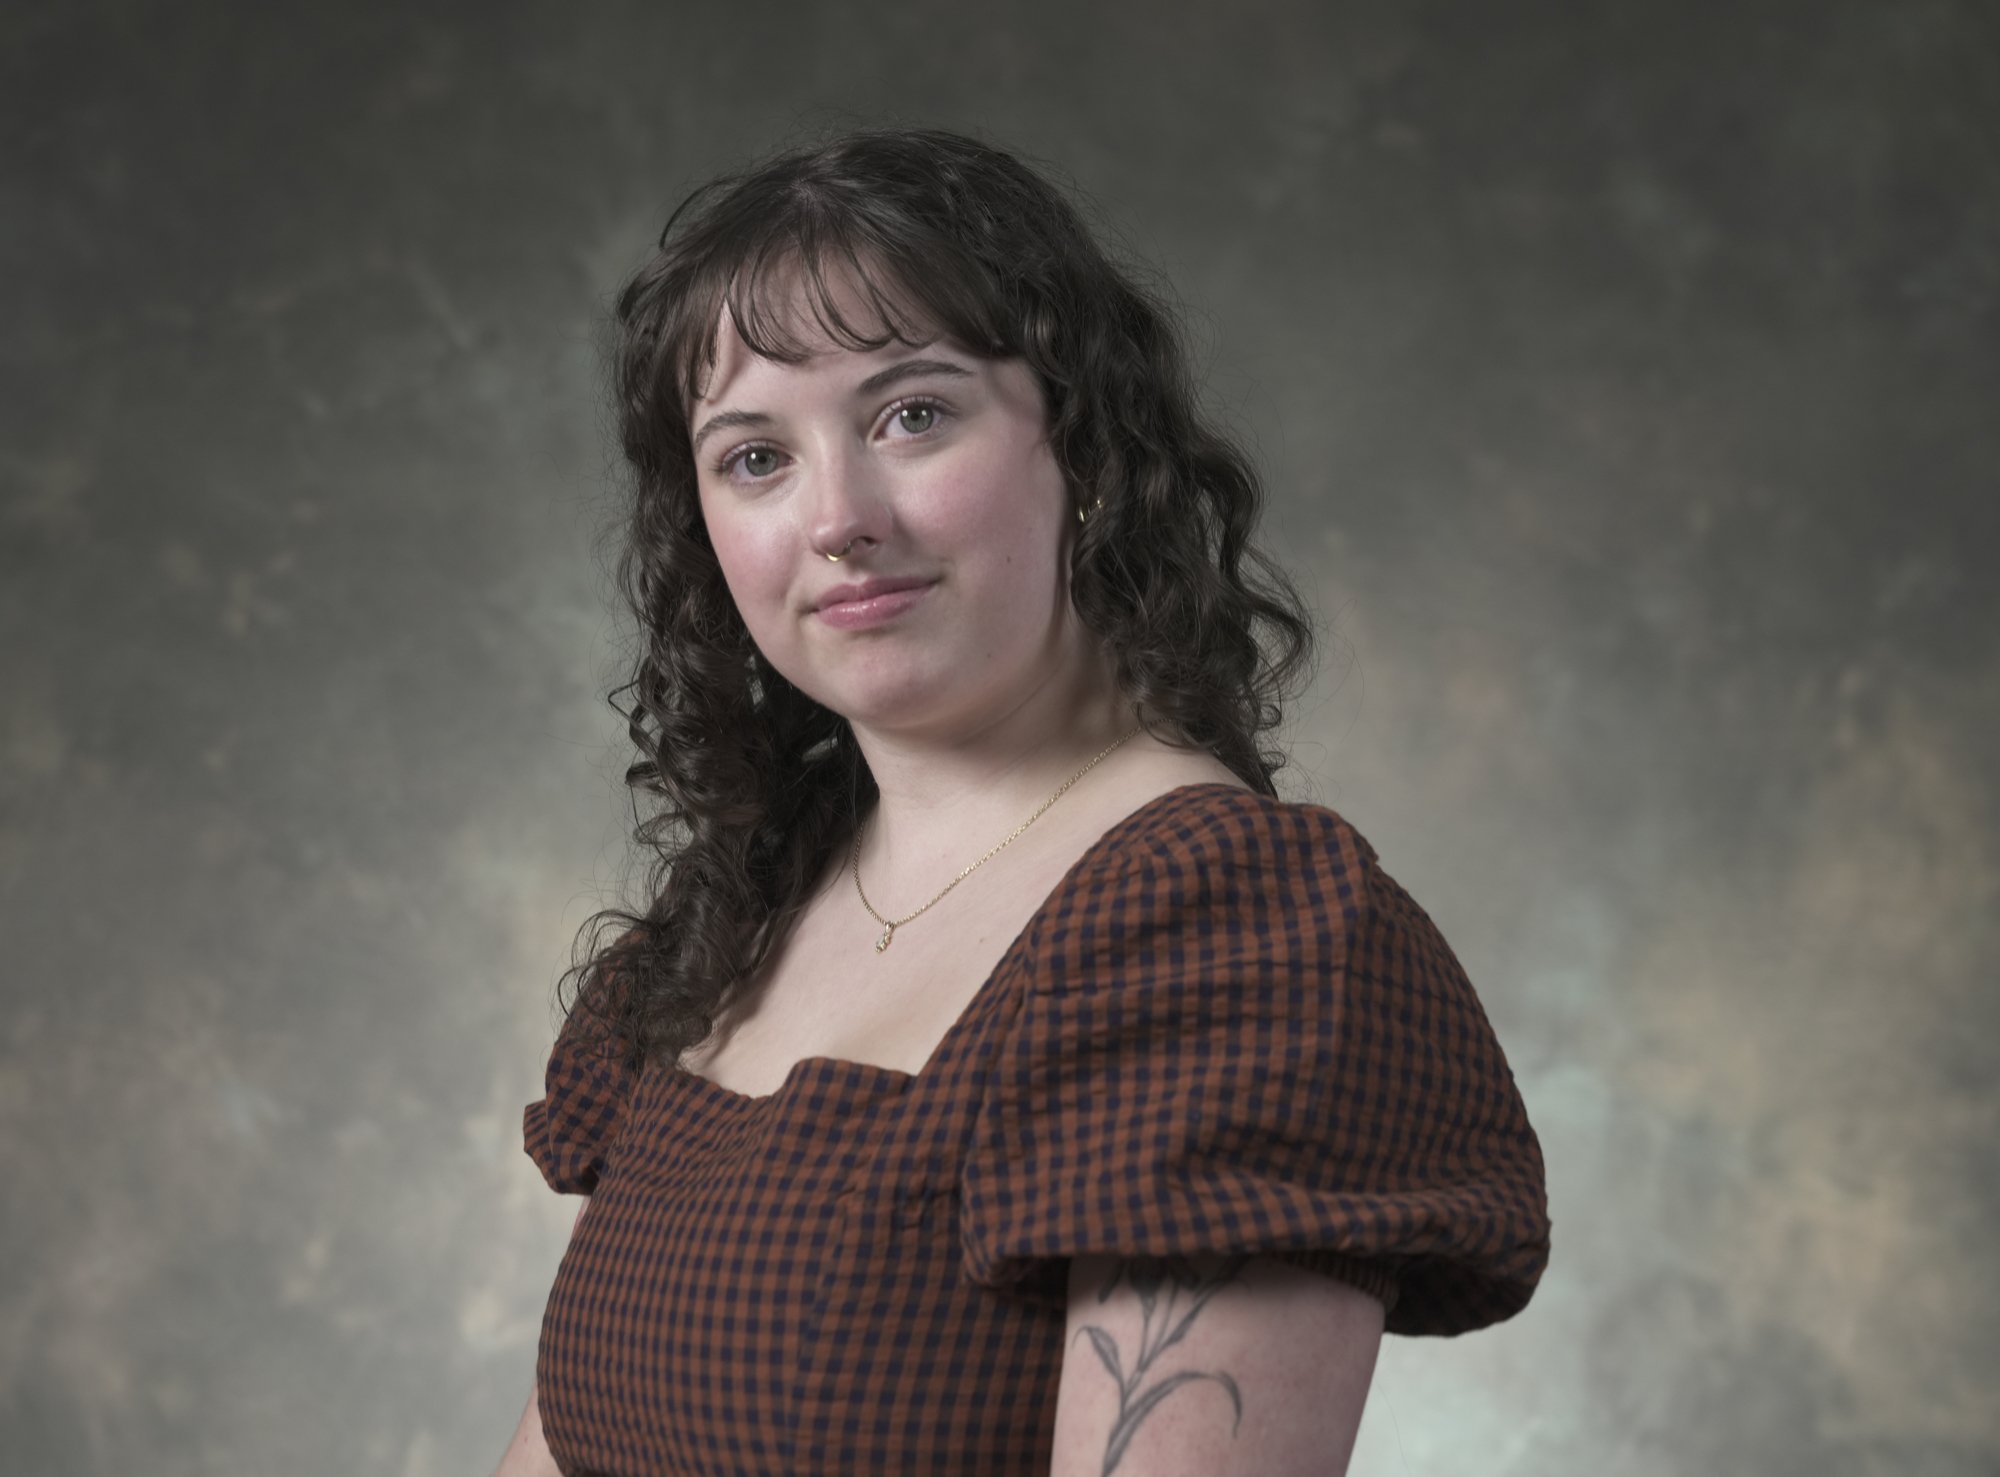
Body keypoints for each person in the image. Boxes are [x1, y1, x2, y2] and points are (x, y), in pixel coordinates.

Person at [495, 127, 1551, 1477]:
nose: (839, 517)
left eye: (912, 415)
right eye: (755, 457)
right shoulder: (744, 918)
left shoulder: (1223, 934)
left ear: (1089, 451)